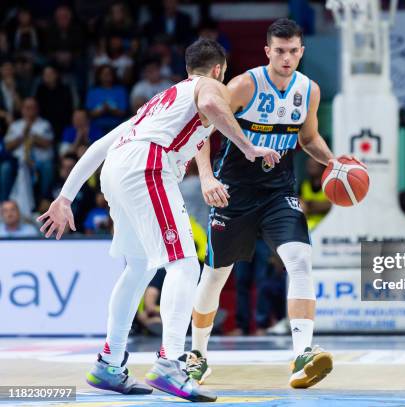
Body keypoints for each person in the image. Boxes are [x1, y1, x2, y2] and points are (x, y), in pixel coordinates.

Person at [38, 37, 280, 402]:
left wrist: (65, 196)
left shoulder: (161, 102)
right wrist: (249, 148)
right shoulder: (210, 85)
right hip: (148, 168)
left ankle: (109, 362)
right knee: (184, 264)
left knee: (137, 268)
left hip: (118, 170)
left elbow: (101, 145)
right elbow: (214, 102)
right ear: (218, 69)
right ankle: (170, 363)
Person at [188, 18, 363, 389]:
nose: (286, 58)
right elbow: (199, 129)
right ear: (268, 51)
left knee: (300, 259)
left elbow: (308, 137)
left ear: (302, 51)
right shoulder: (243, 85)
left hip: (278, 190)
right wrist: (206, 177)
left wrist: (332, 163)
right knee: (216, 276)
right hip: (234, 190)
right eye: (279, 51)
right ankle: (198, 353)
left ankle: (303, 354)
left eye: (293, 51)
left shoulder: (309, 91)